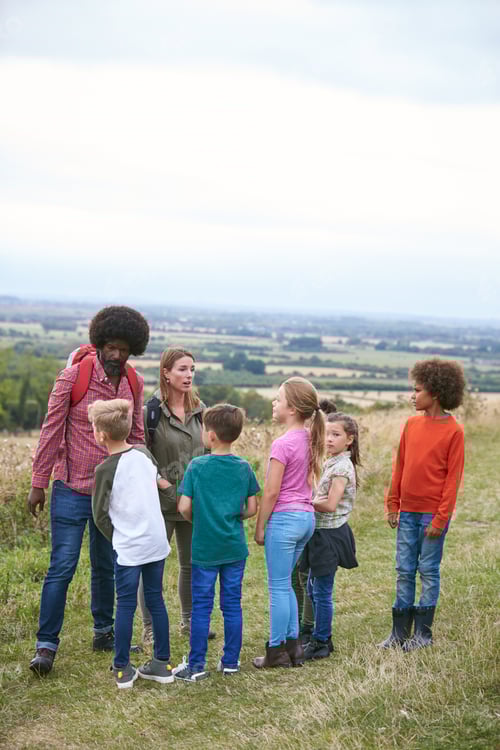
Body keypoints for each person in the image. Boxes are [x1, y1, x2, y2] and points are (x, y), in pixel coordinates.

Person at [28, 305, 149, 675]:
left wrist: (146, 481)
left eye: (124, 349)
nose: (116, 355)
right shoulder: (72, 378)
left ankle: (103, 631)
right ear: (99, 343)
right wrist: (38, 483)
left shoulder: (133, 383)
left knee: (105, 565)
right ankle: (46, 646)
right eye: (110, 347)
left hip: (113, 493)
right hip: (70, 488)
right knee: (61, 566)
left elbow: (138, 434)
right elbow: (51, 430)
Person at [380, 358, 465, 651]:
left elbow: (452, 480)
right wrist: (393, 503)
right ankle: (399, 633)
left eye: (417, 390)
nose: (412, 395)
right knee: (404, 570)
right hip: (407, 513)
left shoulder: (454, 431)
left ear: (436, 392)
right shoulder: (411, 424)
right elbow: (400, 467)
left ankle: (422, 635)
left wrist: (440, 520)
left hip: (432, 516)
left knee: (428, 570)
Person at [89, 399, 173, 689]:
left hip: (129, 548)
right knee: (156, 600)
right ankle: (162, 664)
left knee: (125, 604)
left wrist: (117, 536)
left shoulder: (104, 470)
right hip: (156, 541)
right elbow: (162, 487)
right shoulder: (144, 454)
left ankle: (123, 668)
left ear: (100, 434)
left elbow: (99, 514)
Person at [173, 404, 259, 681]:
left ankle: (196, 666)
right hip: (234, 547)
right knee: (232, 604)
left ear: (210, 435)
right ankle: (230, 662)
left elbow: (184, 507)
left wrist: (198, 520)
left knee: (201, 606)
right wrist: (233, 516)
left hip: (205, 548)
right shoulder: (243, 467)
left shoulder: (197, 467)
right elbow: (252, 507)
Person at [139, 347, 215, 642]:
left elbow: (211, 451)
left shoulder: (202, 411)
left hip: (194, 501)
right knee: (152, 566)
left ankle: (190, 621)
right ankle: (149, 629)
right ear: (166, 373)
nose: (188, 375)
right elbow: (141, 455)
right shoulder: (151, 413)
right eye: (182, 369)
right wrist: (161, 482)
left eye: (192, 369)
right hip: (161, 502)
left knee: (192, 564)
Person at [253, 377, 324, 669]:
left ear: (292, 408)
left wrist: (260, 526)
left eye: (278, 399)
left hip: (284, 520)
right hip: (306, 518)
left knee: (278, 587)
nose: (273, 402)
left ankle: (275, 651)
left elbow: (271, 491)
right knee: (288, 584)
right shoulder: (312, 438)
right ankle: (294, 648)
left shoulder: (282, 443)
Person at [301, 412, 359, 660]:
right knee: (313, 588)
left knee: (322, 591)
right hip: (320, 534)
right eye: (327, 433)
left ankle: (322, 641)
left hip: (330, 536)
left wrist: (304, 502)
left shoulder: (343, 467)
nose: (329, 439)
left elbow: (331, 504)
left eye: (336, 434)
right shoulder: (331, 462)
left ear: (350, 439)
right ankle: (320, 635)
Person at [292, 397, 338, 643]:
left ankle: (308, 626)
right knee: (296, 575)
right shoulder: (303, 447)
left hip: (315, 523)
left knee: (305, 576)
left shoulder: (328, 459)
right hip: (301, 517)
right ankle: (299, 621)